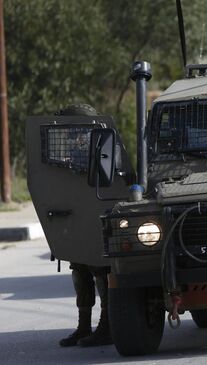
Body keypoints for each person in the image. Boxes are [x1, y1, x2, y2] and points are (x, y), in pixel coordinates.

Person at [55, 104, 113, 348]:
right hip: (77, 216)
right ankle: (83, 326)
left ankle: (107, 325)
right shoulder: (76, 148)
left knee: (100, 272)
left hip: (96, 216)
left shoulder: (103, 144)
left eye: (71, 130)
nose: (69, 136)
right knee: (79, 271)